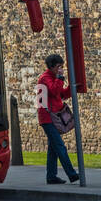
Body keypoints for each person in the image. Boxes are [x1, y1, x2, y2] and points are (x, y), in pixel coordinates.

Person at [37, 52, 79, 183]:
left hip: (52, 117)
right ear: (52, 67)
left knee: (53, 148)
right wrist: (60, 78)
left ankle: (51, 176)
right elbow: (55, 90)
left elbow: (61, 95)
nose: (61, 69)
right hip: (48, 118)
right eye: (59, 66)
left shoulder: (53, 78)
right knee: (60, 146)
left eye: (62, 66)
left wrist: (73, 87)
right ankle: (71, 174)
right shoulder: (45, 78)